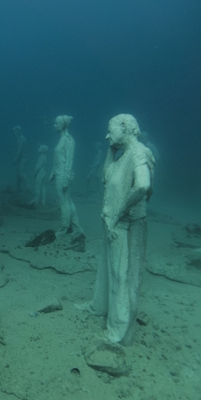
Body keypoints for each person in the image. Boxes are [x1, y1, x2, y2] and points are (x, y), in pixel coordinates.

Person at [77, 114, 154, 345]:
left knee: (122, 277)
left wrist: (119, 213)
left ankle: (118, 331)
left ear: (126, 128)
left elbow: (143, 185)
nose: (106, 135)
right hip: (112, 224)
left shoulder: (139, 153)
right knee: (106, 268)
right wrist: (111, 150)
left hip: (126, 226)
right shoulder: (122, 156)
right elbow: (105, 177)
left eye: (111, 130)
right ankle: (99, 306)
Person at [49, 115, 83, 235]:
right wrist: (53, 172)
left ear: (63, 125)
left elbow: (70, 161)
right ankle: (76, 227)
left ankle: (64, 227)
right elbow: (58, 159)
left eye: (57, 123)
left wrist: (66, 178)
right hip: (59, 172)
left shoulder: (68, 140)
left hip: (63, 174)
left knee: (64, 202)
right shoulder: (62, 139)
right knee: (67, 200)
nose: (55, 125)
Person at [12, 126, 28, 193]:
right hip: (21, 158)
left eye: (15, 132)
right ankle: (17, 187)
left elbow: (20, 150)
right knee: (18, 174)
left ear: (17, 132)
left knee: (21, 173)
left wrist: (16, 159)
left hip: (22, 159)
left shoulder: (21, 138)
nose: (14, 133)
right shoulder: (21, 138)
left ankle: (28, 188)